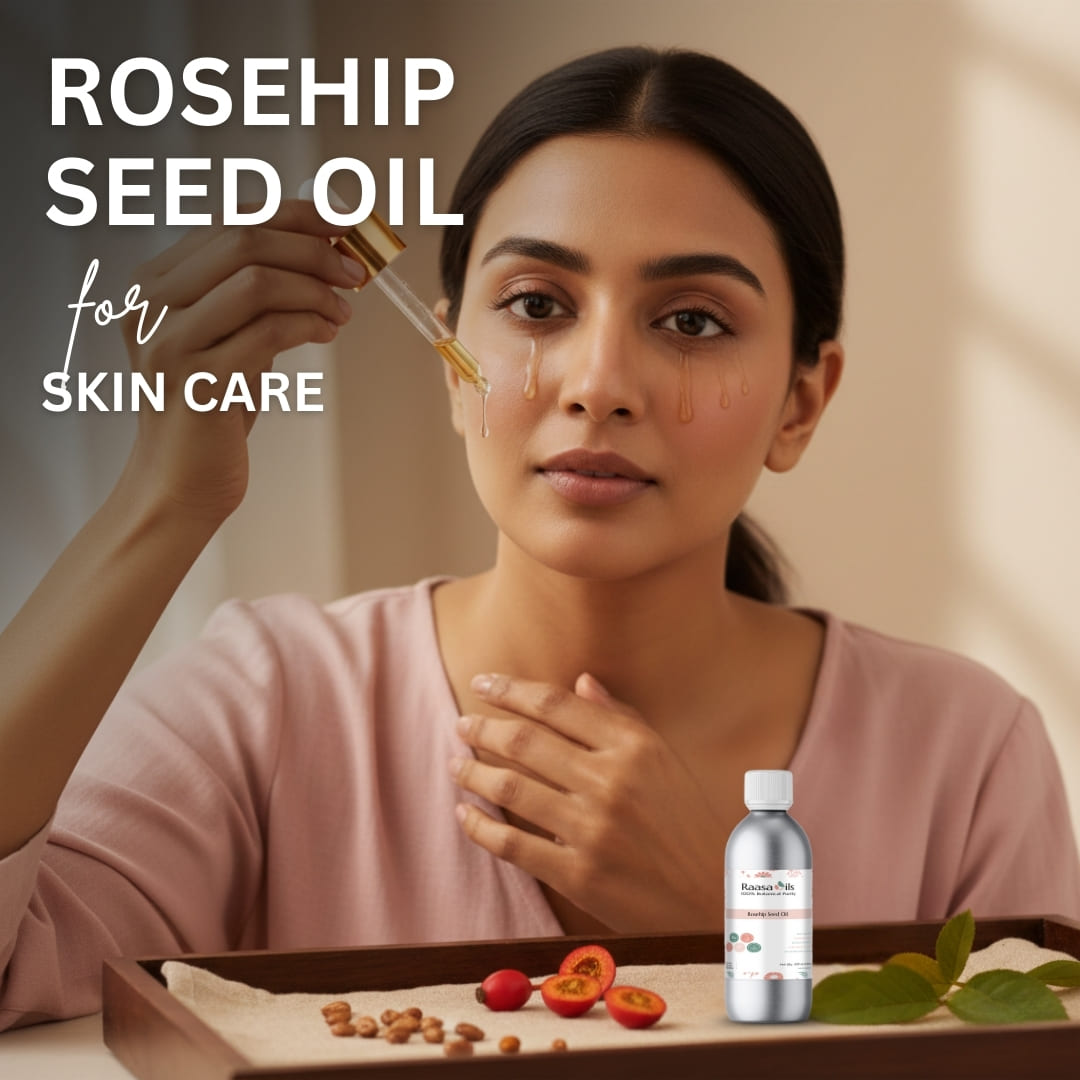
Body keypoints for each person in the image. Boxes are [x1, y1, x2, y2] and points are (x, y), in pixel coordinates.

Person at [1, 46, 1077, 1031]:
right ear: (448, 360)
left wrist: (735, 940)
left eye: (692, 320)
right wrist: (160, 500)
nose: (597, 384)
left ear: (802, 400)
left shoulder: (967, 757)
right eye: (536, 303)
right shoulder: (268, 705)